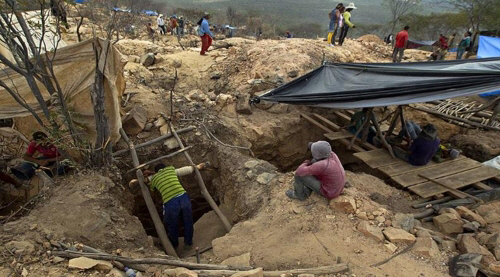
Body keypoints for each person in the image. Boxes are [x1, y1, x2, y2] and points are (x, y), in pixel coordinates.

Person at [137, 163, 206, 250]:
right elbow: (186, 170)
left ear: (155, 172)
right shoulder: (171, 170)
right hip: (183, 197)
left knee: (171, 223)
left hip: (170, 201)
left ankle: (174, 244)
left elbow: (152, 189)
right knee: (187, 220)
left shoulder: (154, 179)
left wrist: (150, 176)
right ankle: (188, 243)